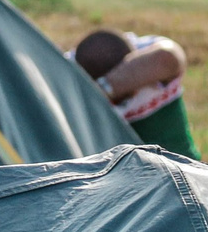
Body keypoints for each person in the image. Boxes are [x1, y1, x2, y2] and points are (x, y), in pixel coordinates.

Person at [71, 29, 199, 159]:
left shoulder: (148, 51)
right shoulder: (70, 69)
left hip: (182, 165)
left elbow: (168, 58)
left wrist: (106, 88)